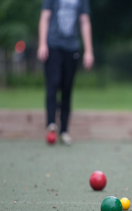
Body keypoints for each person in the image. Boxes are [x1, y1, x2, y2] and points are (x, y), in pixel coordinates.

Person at [37, 0, 94, 145]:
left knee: (67, 89)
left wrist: (88, 51)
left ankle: (64, 131)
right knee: (53, 84)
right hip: (53, 45)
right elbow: (45, 17)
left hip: (72, 47)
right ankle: (51, 125)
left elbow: (85, 22)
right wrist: (42, 43)